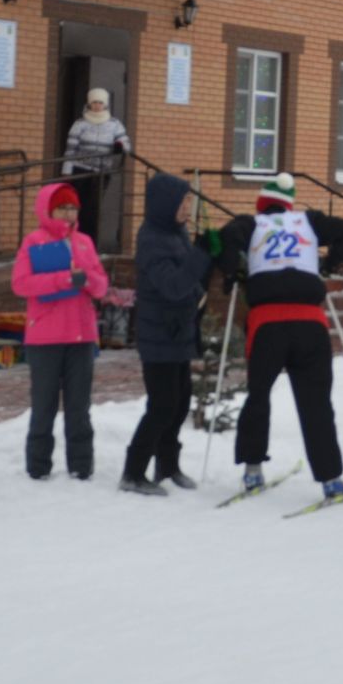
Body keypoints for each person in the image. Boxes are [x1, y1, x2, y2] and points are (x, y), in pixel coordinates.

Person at [217, 173, 343, 499]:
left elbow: (225, 238)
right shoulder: (307, 221)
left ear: (262, 205)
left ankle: (252, 472)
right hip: (310, 323)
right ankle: (331, 479)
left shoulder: (251, 225)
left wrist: (234, 273)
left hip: (267, 324)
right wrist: (327, 265)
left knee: (258, 396)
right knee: (317, 403)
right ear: (288, 205)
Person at [121, 174, 217, 495]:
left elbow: (188, 280)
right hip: (157, 334)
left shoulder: (176, 234)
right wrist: (200, 256)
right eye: (182, 202)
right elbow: (173, 285)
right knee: (162, 405)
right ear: (165, 205)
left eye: (189, 201)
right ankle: (133, 473)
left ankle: (167, 464)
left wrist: (204, 274)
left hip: (178, 332)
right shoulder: (151, 239)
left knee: (179, 404)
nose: (187, 207)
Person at [12, 182, 110, 480]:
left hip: (81, 336)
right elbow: (21, 284)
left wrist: (87, 280)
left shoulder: (84, 242)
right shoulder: (34, 241)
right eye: (62, 207)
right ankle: (38, 466)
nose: (68, 213)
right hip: (45, 338)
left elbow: (101, 284)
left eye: (72, 207)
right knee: (44, 405)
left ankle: (81, 465)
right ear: (47, 210)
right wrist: (64, 279)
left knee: (79, 406)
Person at [62, 87, 128, 249]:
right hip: (80, 169)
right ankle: (74, 241)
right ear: (89, 104)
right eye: (94, 102)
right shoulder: (80, 123)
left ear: (105, 104)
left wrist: (120, 146)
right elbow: (71, 149)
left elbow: (125, 142)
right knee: (79, 207)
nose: (97, 105)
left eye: (100, 102)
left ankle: (88, 243)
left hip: (101, 172)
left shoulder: (114, 124)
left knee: (93, 208)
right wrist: (67, 171)